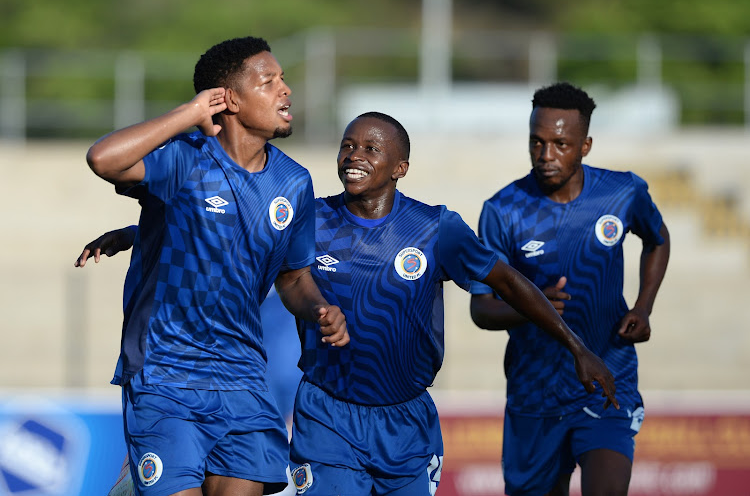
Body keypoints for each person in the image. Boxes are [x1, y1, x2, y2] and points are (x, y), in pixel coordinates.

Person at [79, 111, 618, 495]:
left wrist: (576, 347)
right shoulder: (310, 213)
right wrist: (138, 231)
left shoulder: (437, 229)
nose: (353, 156)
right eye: (347, 146)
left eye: (370, 149)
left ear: (400, 166)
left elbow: (509, 282)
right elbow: (231, 232)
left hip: (408, 418)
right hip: (327, 414)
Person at [82, 36, 348, 496]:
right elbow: (104, 159)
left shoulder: (294, 182)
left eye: (283, 79)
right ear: (228, 100)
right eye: (269, 81)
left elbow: (293, 276)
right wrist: (190, 113)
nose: (285, 90)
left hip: (243, 378)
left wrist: (320, 308)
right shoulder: (185, 157)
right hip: (166, 372)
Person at [469, 82, 670, 496]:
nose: (546, 156)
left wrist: (644, 306)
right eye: (536, 142)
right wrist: (532, 306)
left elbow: (658, 239)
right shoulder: (501, 211)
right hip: (533, 392)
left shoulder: (622, 192)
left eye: (561, 143)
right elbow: (482, 309)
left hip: (607, 379)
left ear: (585, 145)